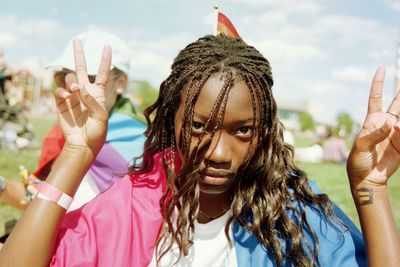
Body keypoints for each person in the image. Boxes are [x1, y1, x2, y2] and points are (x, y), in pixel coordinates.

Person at [0, 34, 399, 267]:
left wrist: (371, 189)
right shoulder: (130, 207)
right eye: (197, 126)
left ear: (264, 133)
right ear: (172, 119)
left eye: (242, 130)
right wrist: (75, 154)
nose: (219, 153)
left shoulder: (291, 217)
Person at [0, 31, 146, 210]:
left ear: (120, 83)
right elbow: (38, 198)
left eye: (90, 78)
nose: (73, 87)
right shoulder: (64, 131)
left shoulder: (145, 149)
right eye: (64, 78)